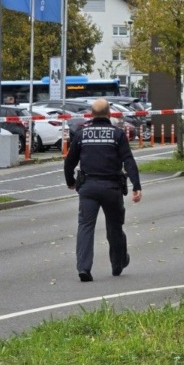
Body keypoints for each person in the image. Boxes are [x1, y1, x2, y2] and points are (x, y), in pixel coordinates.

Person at [64, 97, 142, 282]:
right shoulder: (117, 134)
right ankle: (118, 263)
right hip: (112, 188)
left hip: (88, 188)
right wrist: (136, 186)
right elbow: (128, 160)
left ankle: (84, 268)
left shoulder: (82, 134)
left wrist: (70, 181)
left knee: (85, 227)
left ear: (91, 114)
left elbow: (69, 161)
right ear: (109, 114)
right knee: (114, 226)